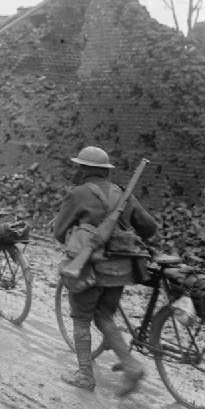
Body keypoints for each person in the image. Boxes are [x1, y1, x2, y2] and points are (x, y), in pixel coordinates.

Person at [53, 145, 158, 394]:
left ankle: (85, 376)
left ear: (84, 169)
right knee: (104, 316)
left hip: (90, 268)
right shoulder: (122, 193)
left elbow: (58, 232)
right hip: (120, 271)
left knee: (81, 318)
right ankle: (131, 365)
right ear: (105, 171)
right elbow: (149, 227)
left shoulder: (78, 194)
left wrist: (79, 238)